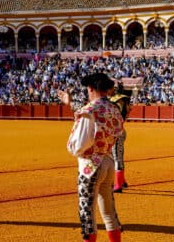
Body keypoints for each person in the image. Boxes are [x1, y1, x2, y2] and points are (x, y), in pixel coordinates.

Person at [58, 73, 124, 242]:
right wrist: (71, 104)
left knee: (87, 212)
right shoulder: (114, 108)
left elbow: (79, 144)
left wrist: (74, 150)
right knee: (109, 211)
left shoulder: (89, 111)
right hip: (109, 162)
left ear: (91, 89)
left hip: (90, 166)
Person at [109, 83, 131, 193]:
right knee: (116, 156)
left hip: (115, 131)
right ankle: (122, 181)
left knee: (116, 157)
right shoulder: (126, 100)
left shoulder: (115, 100)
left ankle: (118, 185)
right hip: (120, 130)